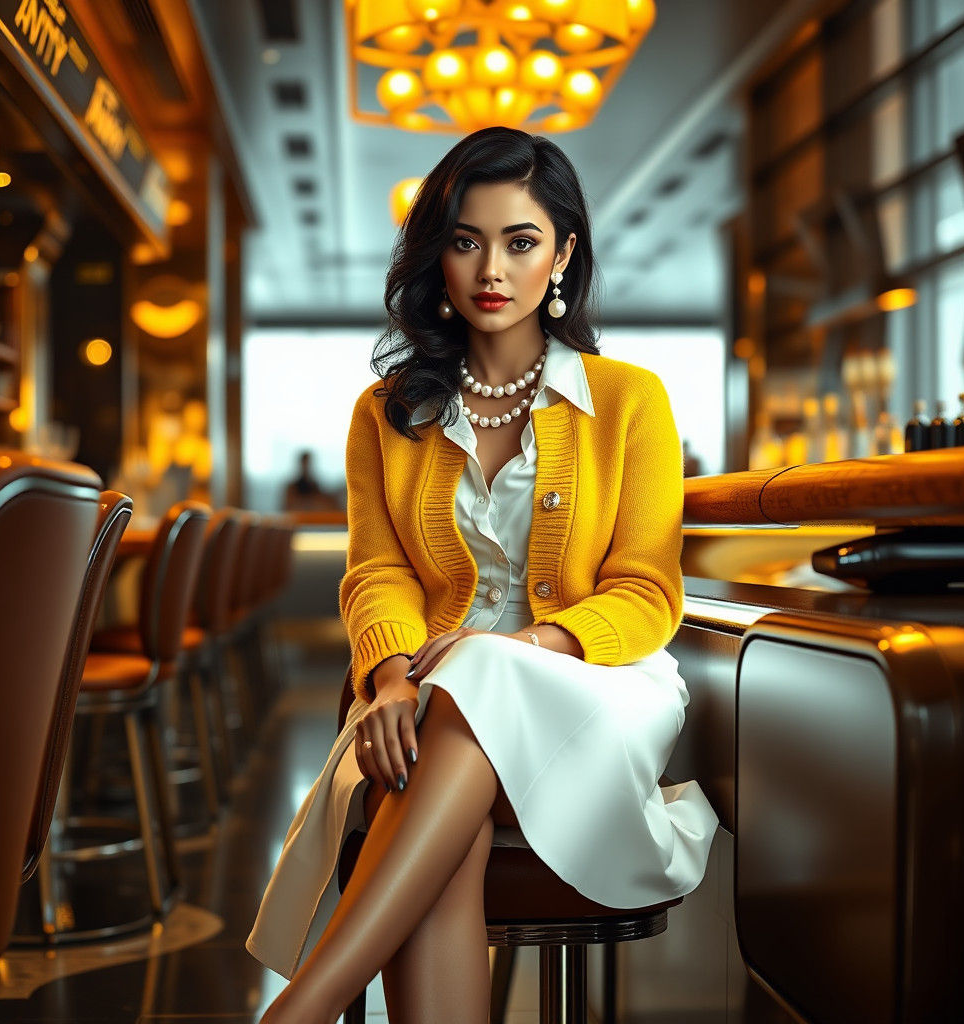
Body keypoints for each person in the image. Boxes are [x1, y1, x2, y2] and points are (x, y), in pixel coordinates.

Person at [247, 126, 718, 1024]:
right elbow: (377, 573)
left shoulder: (630, 400)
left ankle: (298, 1011)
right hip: (424, 694)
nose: (491, 268)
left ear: (565, 255)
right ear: (438, 256)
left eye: (521, 240)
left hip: (594, 686)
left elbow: (649, 594)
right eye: (466, 241)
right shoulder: (385, 414)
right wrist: (386, 677)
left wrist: (530, 644)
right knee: (439, 768)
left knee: (478, 684)